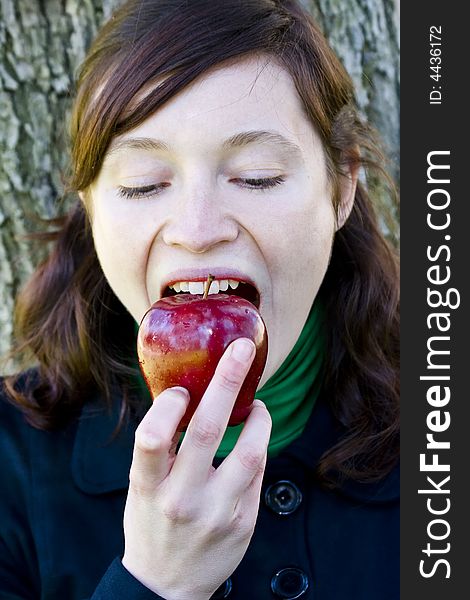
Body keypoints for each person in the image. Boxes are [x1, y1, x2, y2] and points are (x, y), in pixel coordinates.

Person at [0, 0, 399, 598]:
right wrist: (155, 586)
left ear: (341, 187)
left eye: (256, 176)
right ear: (90, 205)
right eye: (143, 184)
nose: (197, 227)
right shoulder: (10, 465)